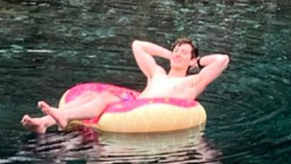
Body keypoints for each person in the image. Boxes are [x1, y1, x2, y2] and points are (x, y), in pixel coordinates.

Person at [22, 38, 230, 133]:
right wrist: (172, 55)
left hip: (154, 112)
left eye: (184, 52)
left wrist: (196, 62)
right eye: (176, 50)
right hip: (133, 106)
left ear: (193, 61)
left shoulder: (192, 82)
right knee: (89, 96)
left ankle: (63, 117)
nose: (178, 53)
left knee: (103, 98)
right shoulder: (156, 73)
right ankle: (44, 122)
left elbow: (222, 60)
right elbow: (137, 46)